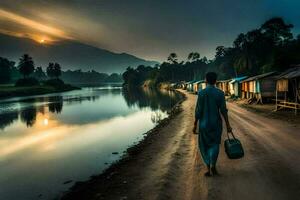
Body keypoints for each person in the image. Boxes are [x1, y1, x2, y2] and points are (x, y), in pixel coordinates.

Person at [193, 72, 232, 176]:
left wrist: (195, 124)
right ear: (215, 80)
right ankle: (213, 165)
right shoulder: (220, 93)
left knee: (204, 145)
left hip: (204, 125)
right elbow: (224, 110)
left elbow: (198, 111)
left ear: (206, 80)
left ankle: (207, 167)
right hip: (216, 124)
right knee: (215, 144)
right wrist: (228, 125)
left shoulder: (201, 93)